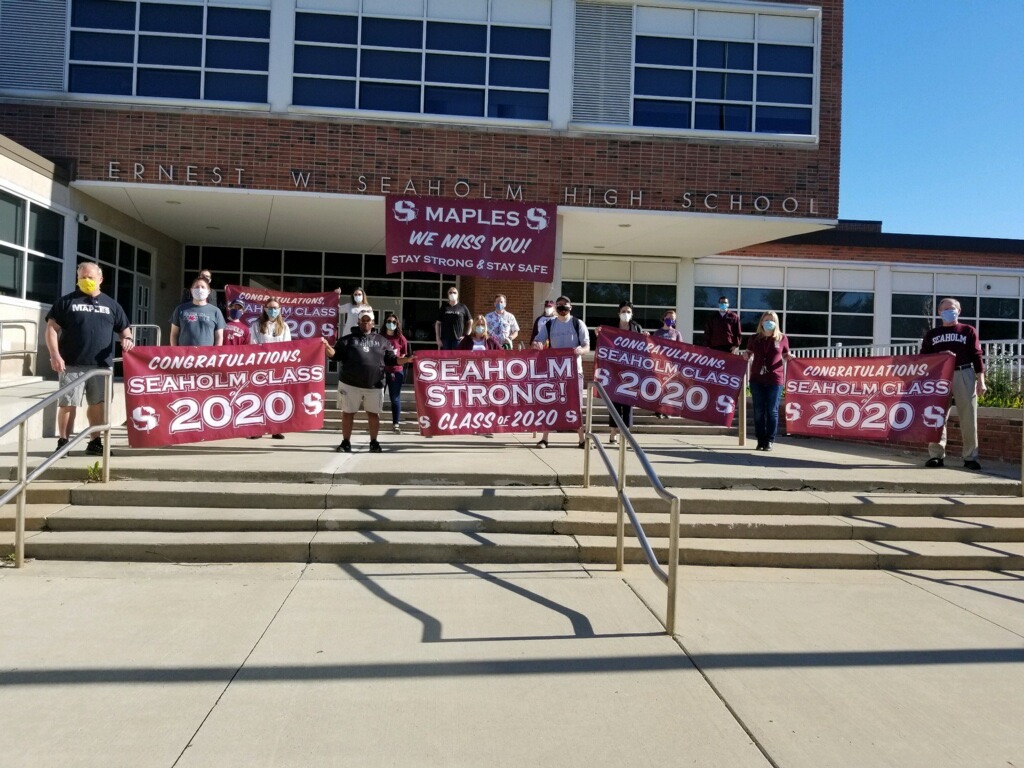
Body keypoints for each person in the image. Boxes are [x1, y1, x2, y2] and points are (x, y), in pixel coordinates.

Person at [45, 262, 134, 456]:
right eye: (82, 277)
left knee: (99, 404)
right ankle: (63, 443)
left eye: (90, 277)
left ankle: (95, 442)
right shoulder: (66, 302)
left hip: (101, 367)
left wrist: (127, 340)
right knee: (68, 404)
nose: (86, 280)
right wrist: (54, 354)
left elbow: (124, 329)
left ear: (100, 279)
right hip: (71, 364)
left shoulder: (112, 305)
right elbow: (51, 328)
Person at [323, 310, 410, 453]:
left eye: (368, 320)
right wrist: (327, 347)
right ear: (358, 322)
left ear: (373, 323)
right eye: (362, 320)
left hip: (374, 384)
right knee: (347, 413)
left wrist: (407, 360)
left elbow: (392, 360)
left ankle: (374, 442)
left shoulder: (382, 341)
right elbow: (335, 355)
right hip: (350, 383)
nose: (365, 323)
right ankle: (346, 442)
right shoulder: (347, 339)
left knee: (373, 414)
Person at [921, 297, 986, 470]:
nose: (949, 312)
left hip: (963, 373)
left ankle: (970, 457)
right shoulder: (932, 334)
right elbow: (924, 357)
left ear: (959, 311)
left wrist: (981, 380)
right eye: (945, 309)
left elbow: (977, 355)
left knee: (968, 416)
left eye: (952, 308)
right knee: (936, 416)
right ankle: (936, 455)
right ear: (939, 312)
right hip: (939, 376)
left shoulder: (968, 331)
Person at [532, 295, 589, 448]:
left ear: (570, 307)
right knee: (550, 404)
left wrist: (581, 350)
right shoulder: (550, 324)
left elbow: (587, 346)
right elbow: (537, 340)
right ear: (556, 308)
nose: (562, 307)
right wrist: (537, 344)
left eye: (565, 305)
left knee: (576, 406)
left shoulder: (578, 324)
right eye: (559, 305)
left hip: (574, 372)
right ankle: (544, 438)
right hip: (554, 371)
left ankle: (582, 439)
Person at [596, 301, 647, 444]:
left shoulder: (636, 327)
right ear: (619, 313)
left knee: (628, 403)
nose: (626, 314)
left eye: (628, 311)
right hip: (614, 370)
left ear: (632, 314)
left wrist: (646, 337)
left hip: (631, 371)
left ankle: (626, 433)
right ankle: (613, 432)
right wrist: (598, 333)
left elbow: (642, 348)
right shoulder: (611, 326)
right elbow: (602, 341)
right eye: (623, 311)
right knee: (614, 402)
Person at [743, 310, 792, 452]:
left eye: (772, 320)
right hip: (757, 379)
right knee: (758, 411)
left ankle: (770, 440)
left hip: (775, 379)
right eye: (766, 320)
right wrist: (746, 354)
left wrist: (790, 357)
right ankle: (760, 440)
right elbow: (748, 351)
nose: (769, 322)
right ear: (762, 322)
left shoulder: (782, 338)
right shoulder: (754, 338)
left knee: (772, 411)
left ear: (776, 323)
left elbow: (786, 354)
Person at [246, 299, 292, 439]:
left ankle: (276, 429)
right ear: (265, 309)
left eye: (276, 308)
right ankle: (258, 429)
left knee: (276, 398)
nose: (273, 310)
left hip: (277, 368)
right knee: (260, 398)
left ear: (280, 309)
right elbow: (253, 345)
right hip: (261, 367)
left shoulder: (284, 326)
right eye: (270, 307)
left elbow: (287, 347)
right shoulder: (256, 325)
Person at [170, 275, 225, 346]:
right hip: (185, 352)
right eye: (197, 287)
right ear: (191, 290)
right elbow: (174, 334)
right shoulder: (180, 309)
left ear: (209, 291)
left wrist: (216, 351)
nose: (200, 289)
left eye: (203, 287)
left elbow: (219, 337)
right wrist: (174, 350)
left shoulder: (216, 311)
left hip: (207, 352)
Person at [381, 312, 410, 435]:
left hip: (396, 372)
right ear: (385, 323)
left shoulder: (401, 338)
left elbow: (403, 354)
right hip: (381, 371)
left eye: (394, 322)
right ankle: (374, 421)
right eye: (389, 321)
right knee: (378, 397)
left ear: (397, 324)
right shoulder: (380, 337)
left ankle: (396, 424)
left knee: (395, 398)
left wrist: (398, 359)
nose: (391, 324)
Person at [651, 309, 682, 418]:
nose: (671, 320)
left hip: (671, 364)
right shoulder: (657, 333)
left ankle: (668, 410)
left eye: (673, 319)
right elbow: (652, 346)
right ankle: (658, 410)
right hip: (659, 363)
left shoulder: (676, 333)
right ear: (664, 318)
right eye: (669, 318)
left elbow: (681, 349)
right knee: (659, 386)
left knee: (669, 387)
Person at [435, 286, 472, 350]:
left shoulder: (463, 307)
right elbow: (438, 323)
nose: (452, 294)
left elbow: (470, 321)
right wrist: (438, 338)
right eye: (450, 292)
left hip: (458, 340)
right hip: (445, 340)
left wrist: (466, 336)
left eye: (454, 292)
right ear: (448, 295)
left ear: (457, 295)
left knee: (457, 356)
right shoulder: (444, 307)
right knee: (446, 356)